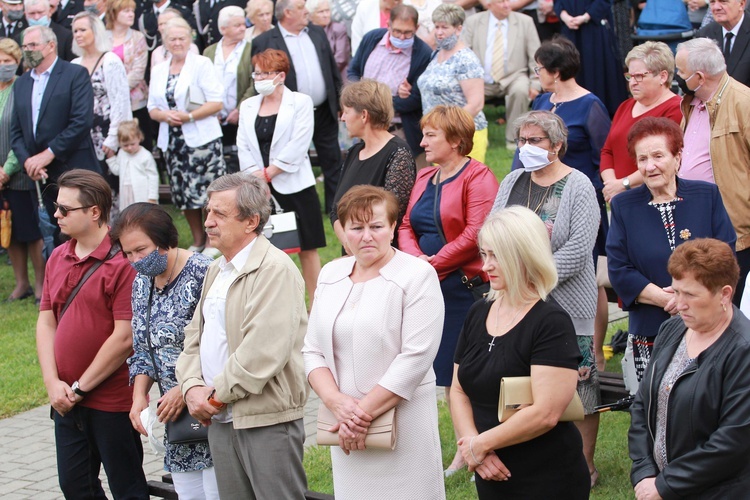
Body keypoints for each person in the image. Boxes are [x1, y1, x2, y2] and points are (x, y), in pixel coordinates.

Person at [303, 185, 446, 500]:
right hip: (345, 430)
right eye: (356, 227)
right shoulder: (329, 274)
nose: (366, 236)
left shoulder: (417, 276)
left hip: (404, 428)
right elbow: (312, 351)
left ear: (393, 227)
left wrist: (359, 416)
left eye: (376, 226)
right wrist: (337, 404)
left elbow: (415, 358)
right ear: (343, 231)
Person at [176, 173, 309, 500]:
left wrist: (214, 397)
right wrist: (191, 386)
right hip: (219, 418)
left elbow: (264, 351)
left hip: (265, 420)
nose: (207, 222)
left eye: (219, 214)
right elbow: (195, 335)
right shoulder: (216, 268)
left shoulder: (275, 269)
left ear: (251, 221)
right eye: (208, 212)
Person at [451, 206, 590, 498]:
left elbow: (546, 413)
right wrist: (475, 445)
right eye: (484, 254)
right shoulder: (479, 312)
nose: (485, 265)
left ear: (524, 256)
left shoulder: (550, 322)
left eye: (496, 256)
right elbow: (458, 390)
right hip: (491, 472)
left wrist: (480, 445)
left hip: (546, 477)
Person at [494, 110, 601, 487]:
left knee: (579, 386)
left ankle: (584, 464)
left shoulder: (580, 185)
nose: (526, 147)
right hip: (517, 302)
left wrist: (527, 277)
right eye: (522, 140)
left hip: (567, 302)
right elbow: (495, 231)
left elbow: (578, 250)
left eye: (535, 141)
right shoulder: (511, 181)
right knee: (525, 381)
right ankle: (529, 454)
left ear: (557, 145)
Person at [36, 169, 148, 499]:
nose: (56, 214)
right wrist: (52, 384)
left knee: (127, 486)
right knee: (75, 486)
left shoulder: (123, 262)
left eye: (65, 209)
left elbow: (124, 337)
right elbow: (46, 321)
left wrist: (79, 388)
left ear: (94, 212)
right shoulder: (58, 256)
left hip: (110, 401)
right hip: (66, 401)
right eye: (56, 207)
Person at [398, 105, 497, 476]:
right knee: (444, 372)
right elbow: (406, 224)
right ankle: (464, 446)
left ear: (455, 140)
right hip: (429, 284)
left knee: (466, 372)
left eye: (430, 135)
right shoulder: (425, 176)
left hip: (464, 289)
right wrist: (418, 262)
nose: (421, 142)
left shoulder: (479, 176)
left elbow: (476, 233)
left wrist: (432, 263)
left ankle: (478, 446)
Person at [607, 117, 736, 382]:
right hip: (650, 329)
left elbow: (725, 256)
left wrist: (688, 297)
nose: (650, 166)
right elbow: (619, 269)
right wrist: (668, 299)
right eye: (642, 159)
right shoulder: (624, 206)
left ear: (678, 157)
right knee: (652, 410)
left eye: (658, 156)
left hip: (707, 324)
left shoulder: (707, 196)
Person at [110, 203, 218, 499]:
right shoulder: (141, 283)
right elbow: (142, 349)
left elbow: (219, 345)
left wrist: (185, 388)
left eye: (141, 250)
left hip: (207, 406)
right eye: (128, 253)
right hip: (175, 419)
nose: (135, 260)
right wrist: (138, 397)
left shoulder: (203, 273)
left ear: (164, 238)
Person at [628, 238, 750, 499]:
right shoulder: (671, 329)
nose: (679, 304)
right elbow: (642, 404)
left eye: (691, 295)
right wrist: (644, 471)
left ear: (725, 294)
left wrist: (664, 485)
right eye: (676, 291)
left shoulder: (743, 350)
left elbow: (732, 442)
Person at [518, 36, 612, 374]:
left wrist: (598, 191)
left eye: (540, 68)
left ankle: (596, 348)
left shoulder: (590, 105)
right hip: (538, 196)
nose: (537, 74)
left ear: (556, 71)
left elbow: (605, 152)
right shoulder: (544, 99)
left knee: (591, 276)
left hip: (577, 200)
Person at [237, 48, 326, 302]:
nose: (260, 78)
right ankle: (278, 305)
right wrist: (257, 178)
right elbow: (243, 145)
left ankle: (317, 305)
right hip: (257, 189)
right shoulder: (248, 106)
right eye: (257, 73)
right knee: (266, 251)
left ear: (281, 75)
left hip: (295, 185)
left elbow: (300, 143)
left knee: (307, 249)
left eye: (266, 73)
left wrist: (270, 172)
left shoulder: (300, 101)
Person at [676, 37, 750, 305]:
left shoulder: (744, 102)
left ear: (698, 76)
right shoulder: (691, 102)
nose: (678, 78)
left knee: (730, 305)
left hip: (733, 228)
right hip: (693, 221)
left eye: (681, 72)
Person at [10, 25, 100, 244]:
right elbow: (16, 130)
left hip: (73, 168)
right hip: (39, 175)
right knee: (53, 237)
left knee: (84, 235)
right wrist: (28, 161)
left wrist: (48, 154)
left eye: (32, 45)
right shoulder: (21, 82)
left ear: (51, 45)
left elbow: (81, 121)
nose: (27, 50)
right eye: (24, 46)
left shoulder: (74, 74)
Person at [252, 0, 344, 213]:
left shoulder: (316, 32)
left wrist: (340, 101)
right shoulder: (265, 41)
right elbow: (259, 80)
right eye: (302, 8)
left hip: (323, 110)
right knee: (290, 160)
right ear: (287, 13)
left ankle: (335, 210)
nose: (307, 12)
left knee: (332, 161)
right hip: (289, 114)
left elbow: (331, 68)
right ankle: (293, 210)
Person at [148, 17, 226, 253]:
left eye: (182, 38)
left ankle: (213, 240)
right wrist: (165, 116)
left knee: (208, 192)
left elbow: (216, 102)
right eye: (172, 39)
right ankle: (198, 239)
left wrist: (189, 117)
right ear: (165, 42)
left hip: (202, 139)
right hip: (174, 142)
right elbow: (152, 108)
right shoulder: (159, 70)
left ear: (190, 39)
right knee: (183, 194)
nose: (177, 43)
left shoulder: (201, 64)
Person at [331, 79, 416, 252]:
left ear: (364, 115)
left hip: (381, 256)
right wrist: (349, 243)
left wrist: (357, 243)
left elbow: (393, 215)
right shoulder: (354, 152)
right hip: (353, 254)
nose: (342, 117)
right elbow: (336, 210)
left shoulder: (398, 153)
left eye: (346, 111)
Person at [600, 41, 682, 203]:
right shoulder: (625, 106)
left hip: (653, 197)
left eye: (639, 76)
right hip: (618, 197)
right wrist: (611, 185)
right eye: (630, 76)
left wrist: (624, 184)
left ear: (662, 76)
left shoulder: (675, 109)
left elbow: (668, 159)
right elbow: (607, 151)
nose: (632, 82)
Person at [348, 4, 432, 158]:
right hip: (365, 129)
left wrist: (373, 105)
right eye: (397, 31)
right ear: (388, 25)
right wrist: (360, 95)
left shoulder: (423, 54)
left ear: (417, 27)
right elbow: (353, 72)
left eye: (408, 33)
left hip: (400, 131)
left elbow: (416, 99)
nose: (401, 37)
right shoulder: (371, 39)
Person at [461, 0, 542, 151]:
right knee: (461, 94)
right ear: (489, 4)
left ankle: (514, 139)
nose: (507, 5)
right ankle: (471, 137)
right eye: (501, 1)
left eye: (508, 0)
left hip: (514, 76)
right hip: (480, 80)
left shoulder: (525, 22)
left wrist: (535, 83)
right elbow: (462, 54)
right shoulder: (474, 22)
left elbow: (535, 56)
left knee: (520, 90)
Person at [0, 37, 45, 303]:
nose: (3, 65)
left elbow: (22, 133)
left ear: (17, 61)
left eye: (7, 61)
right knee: (10, 232)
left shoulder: (22, 88)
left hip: (18, 172)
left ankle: (41, 285)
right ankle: (21, 284)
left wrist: (7, 169)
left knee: (30, 232)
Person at [416, 3, 488, 162]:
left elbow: (476, 104)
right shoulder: (435, 54)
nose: (439, 33)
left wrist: (450, 129)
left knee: (464, 182)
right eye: (436, 27)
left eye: (444, 27)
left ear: (458, 29)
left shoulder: (466, 59)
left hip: (461, 136)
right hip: (438, 137)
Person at [72, 11, 132, 195]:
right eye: (75, 31)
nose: (78, 35)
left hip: (107, 133)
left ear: (95, 31)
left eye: (82, 30)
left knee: (109, 189)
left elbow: (120, 101)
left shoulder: (110, 60)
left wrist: (113, 138)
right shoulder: (74, 63)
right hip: (82, 135)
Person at [203, 5, 255, 175]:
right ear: (223, 29)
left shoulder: (251, 49)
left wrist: (239, 109)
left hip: (239, 116)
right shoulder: (209, 52)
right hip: (214, 118)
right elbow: (202, 82)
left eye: (243, 24)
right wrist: (210, 109)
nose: (243, 28)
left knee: (240, 164)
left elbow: (253, 82)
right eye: (237, 25)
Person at [555, 0, 628, 116]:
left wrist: (586, 17)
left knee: (595, 71)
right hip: (569, 31)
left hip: (594, 29)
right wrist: (564, 16)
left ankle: (598, 115)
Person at [105, 0, 151, 151]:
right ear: (114, 13)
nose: (131, 14)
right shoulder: (102, 38)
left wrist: (119, 91)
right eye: (126, 11)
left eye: (132, 10)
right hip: (107, 103)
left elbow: (138, 71)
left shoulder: (138, 38)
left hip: (135, 103)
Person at [106, 119, 159, 209]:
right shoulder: (122, 153)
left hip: (142, 194)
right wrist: (111, 158)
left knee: (142, 216)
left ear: (139, 138)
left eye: (132, 144)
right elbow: (117, 171)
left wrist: (152, 197)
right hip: (126, 193)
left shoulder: (145, 155)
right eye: (125, 145)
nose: (129, 148)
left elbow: (153, 177)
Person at [696, 0, 750, 88]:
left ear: (741, 4)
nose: (716, 7)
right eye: (712, 2)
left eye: (723, 1)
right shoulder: (705, 34)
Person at [307, 0, 350, 82]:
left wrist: (321, 74)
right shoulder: (306, 31)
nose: (325, 15)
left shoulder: (338, 29)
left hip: (337, 78)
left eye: (327, 11)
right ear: (310, 15)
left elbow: (341, 59)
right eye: (320, 12)